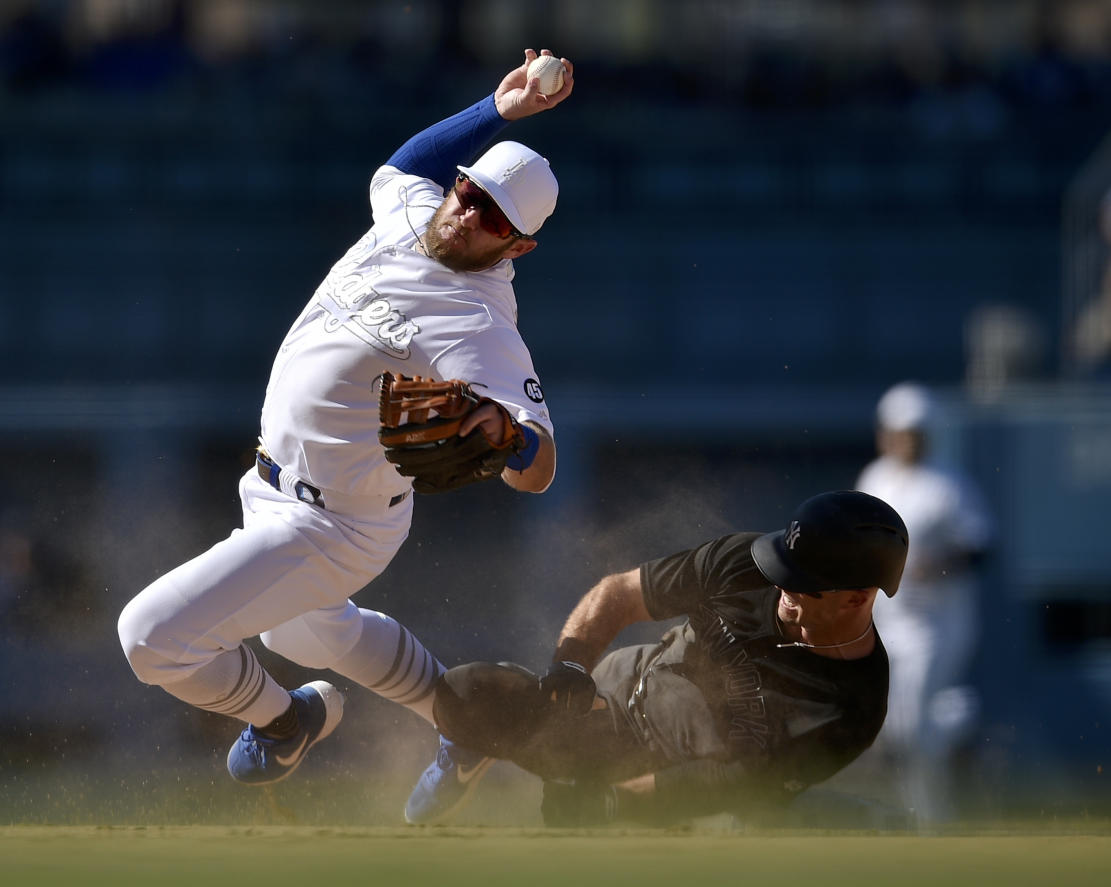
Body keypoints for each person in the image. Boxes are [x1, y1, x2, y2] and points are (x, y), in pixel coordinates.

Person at [117, 49, 574, 789]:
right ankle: (462, 721)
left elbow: (541, 466)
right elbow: (401, 165)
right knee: (301, 629)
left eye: (493, 216)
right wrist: (497, 110)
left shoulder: (477, 320)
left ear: (517, 244)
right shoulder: (416, 215)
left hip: (333, 525)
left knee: (149, 638)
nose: (467, 214)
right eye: (469, 191)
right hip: (271, 490)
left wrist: (507, 436)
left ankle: (284, 720)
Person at [407, 490, 909, 827]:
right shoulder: (745, 562)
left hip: (690, 789)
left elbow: (736, 784)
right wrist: (573, 666)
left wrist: (612, 801)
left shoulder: (852, 706)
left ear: (855, 597)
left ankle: (871, 823)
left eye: (800, 581)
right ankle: (468, 750)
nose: (780, 583)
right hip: (617, 703)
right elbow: (621, 593)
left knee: (748, 827)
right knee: (468, 693)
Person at [855, 382, 993, 823]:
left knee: (912, 728)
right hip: (886, 622)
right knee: (894, 728)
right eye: (896, 431)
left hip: (936, 626)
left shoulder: (948, 485)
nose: (903, 440)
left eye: (912, 431)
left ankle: (931, 820)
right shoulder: (874, 478)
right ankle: (957, 721)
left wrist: (936, 564)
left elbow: (981, 548)